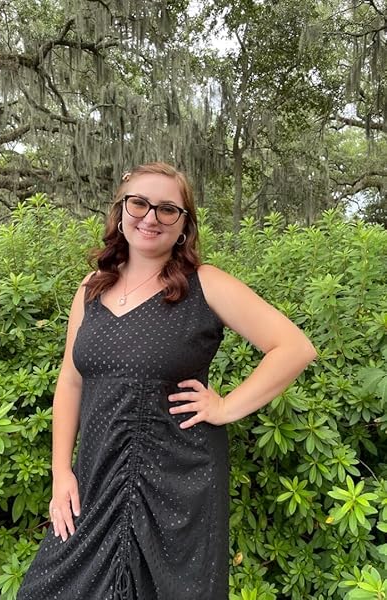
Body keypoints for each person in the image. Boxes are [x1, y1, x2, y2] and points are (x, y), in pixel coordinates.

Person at [17, 162, 317, 599]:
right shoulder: (91, 289)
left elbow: (294, 347)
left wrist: (226, 406)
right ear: (121, 212)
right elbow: (71, 380)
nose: (151, 217)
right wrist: (61, 471)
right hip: (96, 478)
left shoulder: (206, 285)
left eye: (167, 209)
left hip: (178, 483)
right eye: (139, 203)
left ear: (183, 225)